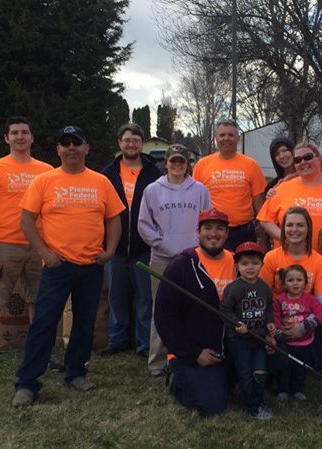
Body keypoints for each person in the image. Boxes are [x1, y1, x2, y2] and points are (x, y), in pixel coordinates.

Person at [11, 126, 124, 407]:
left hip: (91, 266)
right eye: (66, 144)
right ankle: (27, 384)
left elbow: (113, 219)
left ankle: (76, 373)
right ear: (58, 150)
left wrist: (109, 251)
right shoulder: (44, 181)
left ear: (86, 148)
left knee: (84, 324)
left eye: (77, 143)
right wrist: (44, 252)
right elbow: (26, 220)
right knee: (44, 324)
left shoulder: (101, 182)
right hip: (56, 266)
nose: (71, 147)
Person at [0, 116, 53, 381]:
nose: (20, 137)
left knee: (38, 303)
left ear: (32, 138)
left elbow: (52, 211)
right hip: (4, 245)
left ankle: (40, 354)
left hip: (38, 247)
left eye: (25, 132)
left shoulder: (46, 170)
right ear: (6, 138)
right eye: (15, 132)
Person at [258, 141, 322, 380]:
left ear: (320, 159)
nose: (303, 162)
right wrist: (285, 239)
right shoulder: (283, 189)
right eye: (298, 160)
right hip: (286, 266)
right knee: (286, 314)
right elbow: (264, 219)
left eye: (309, 156)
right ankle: (286, 367)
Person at [138, 144, 211, 376]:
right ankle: (158, 361)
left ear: (187, 163)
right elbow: (143, 224)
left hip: (193, 259)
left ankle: (186, 355)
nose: (177, 165)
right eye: (173, 161)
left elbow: (208, 222)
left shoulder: (199, 190)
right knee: (161, 310)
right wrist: (162, 243)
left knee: (193, 309)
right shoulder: (152, 190)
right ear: (166, 163)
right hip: (162, 258)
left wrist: (199, 248)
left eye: (182, 161)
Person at [155, 208, 235, 416]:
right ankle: (176, 379)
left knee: (246, 387)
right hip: (191, 352)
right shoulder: (181, 266)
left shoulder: (237, 263)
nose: (213, 234)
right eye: (207, 228)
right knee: (212, 406)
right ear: (198, 232)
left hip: (228, 347)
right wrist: (193, 353)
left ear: (227, 233)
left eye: (220, 229)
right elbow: (164, 318)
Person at [99, 123, 161, 358]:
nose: (131, 144)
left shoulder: (154, 173)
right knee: (116, 296)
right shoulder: (108, 173)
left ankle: (144, 343)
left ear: (141, 144)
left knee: (145, 298)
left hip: (144, 247)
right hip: (114, 247)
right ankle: (117, 339)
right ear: (119, 143)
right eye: (127, 140)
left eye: (135, 140)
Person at [219, 241, 275, 419]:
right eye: (244, 264)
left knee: (259, 371)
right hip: (239, 340)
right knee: (245, 373)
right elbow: (224, 311)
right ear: (236, 266)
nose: (250, 267)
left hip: (259, 339)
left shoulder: (264, 287)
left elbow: (269, 307)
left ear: (261, 265)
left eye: (255, 263)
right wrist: (236, 323)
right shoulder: (233, 289)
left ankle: (259, 401)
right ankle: (252, 407)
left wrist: (270, 322)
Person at [192, 118, 267, 250]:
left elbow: (259, 204)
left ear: (238, 138)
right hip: (213, 232)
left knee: (244, 270)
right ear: (216, 138)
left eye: (231, 135)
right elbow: (194, 201)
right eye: (222, 135)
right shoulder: (202, 165)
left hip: (244, 231)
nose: (226, 138)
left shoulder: (251, 165)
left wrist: (263, 236)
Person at [274, 264, 322, 401]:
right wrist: (279, 331)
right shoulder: (279, 300)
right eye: (290, 280)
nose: (295, 283)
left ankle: (297, 390)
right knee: (284, 367)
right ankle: (283, 390)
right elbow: (275, 317)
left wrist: (307, 325)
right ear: (284, 283)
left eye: (299, 280)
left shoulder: (309, 299)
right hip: (285, 341)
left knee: (300, 367)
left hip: (305, 342)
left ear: (305, 282)